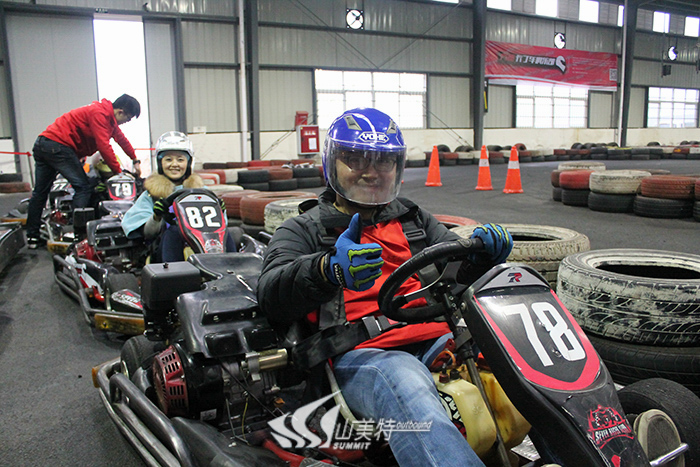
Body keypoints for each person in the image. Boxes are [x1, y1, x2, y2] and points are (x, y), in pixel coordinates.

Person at [257, 108, 513, 467]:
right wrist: (326, 269)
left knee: (514, 360)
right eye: (355, 159)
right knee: (404, 379)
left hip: (436, 339)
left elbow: (454, 275)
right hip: (360, 355)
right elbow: (271, 296)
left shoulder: (413, 220)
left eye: (383, 161)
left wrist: (480, 259)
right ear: (332, 164)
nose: (371, 171)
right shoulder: (305, 229)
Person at [26, 94, 142, 249]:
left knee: (40, 192)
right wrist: (118, 172)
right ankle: (79, 235)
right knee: (83, 187)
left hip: (45, 144)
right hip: (57, 146)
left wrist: (135, 160)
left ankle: (32, 237)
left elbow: (122, 140)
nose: (125, 122)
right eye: (127, 119)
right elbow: (103, 146)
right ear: (120, 112)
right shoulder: (99, 114)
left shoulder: (109, 120)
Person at [121, 131, 232, 263]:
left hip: (205, 245)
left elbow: (220, 226)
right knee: (174, 231)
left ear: (189, 163)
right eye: (168, 159)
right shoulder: (151, 195)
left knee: (228, 233)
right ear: (160, 163)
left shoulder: (203, 192)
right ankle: (176, 274)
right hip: (163, 251)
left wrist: (220, 212)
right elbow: (147, 233)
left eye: (180, 159)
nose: (174, 164)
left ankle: (232, 268)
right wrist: (156, 217)